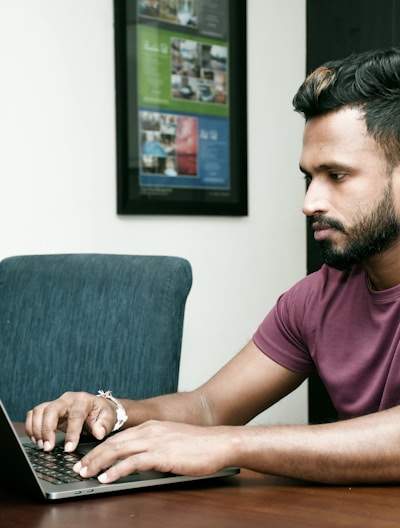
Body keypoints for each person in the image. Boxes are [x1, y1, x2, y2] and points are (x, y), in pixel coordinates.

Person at [26, 47, 400, 485]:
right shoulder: (315, 298)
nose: (309, 203)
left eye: (336, 175)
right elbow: (209, 407)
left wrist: (230, 443)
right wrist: (114, 411)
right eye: (308, 177)